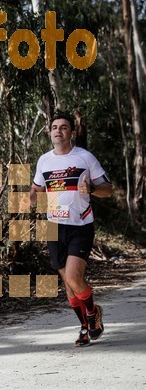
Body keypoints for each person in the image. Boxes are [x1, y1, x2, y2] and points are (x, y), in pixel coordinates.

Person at [30, 111, 113, 347]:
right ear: (50, 132)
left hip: (80, 225)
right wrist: (27, 199)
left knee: (75, 278)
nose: (58, 130)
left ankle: (92, 312)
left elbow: (108, 189)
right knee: (68, 284)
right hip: (54, 226)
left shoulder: (85, 158)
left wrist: (94, 190)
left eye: (64, 127)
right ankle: (85, 327)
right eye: (54, 127)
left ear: (72, 133)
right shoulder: (44, 161)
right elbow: (36, 190)